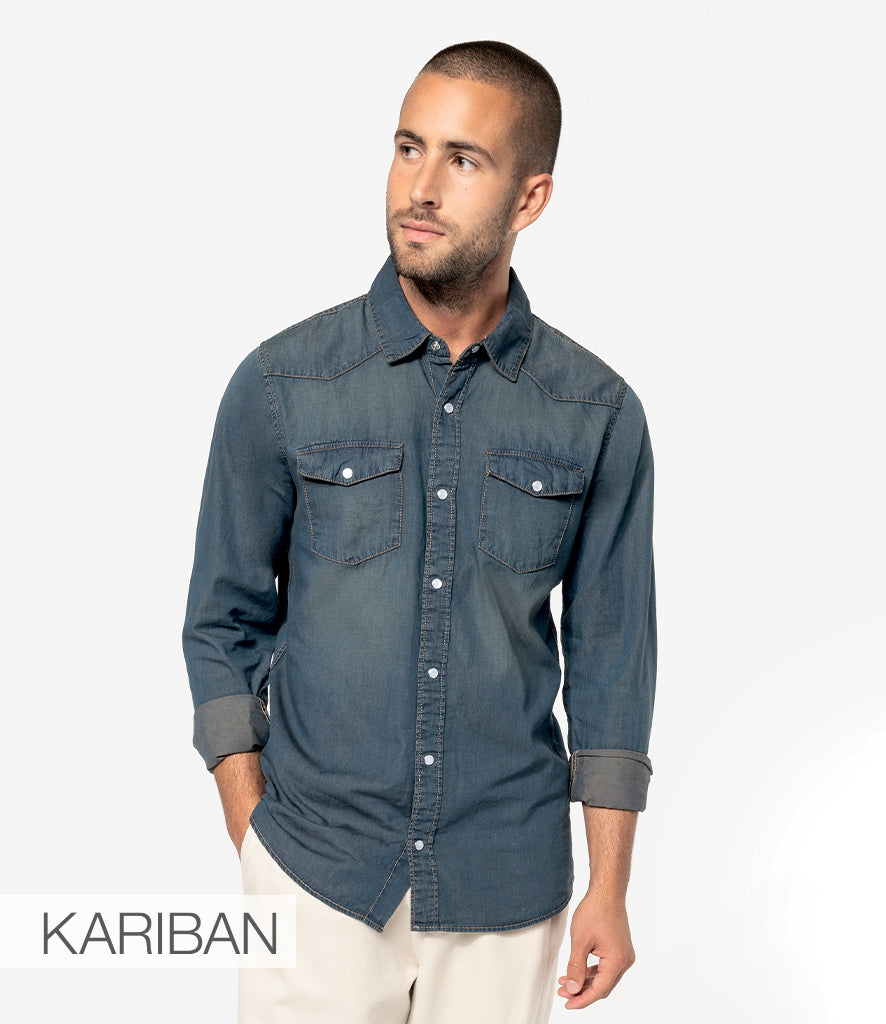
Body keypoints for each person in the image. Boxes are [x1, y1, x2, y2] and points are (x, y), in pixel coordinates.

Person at [182, 39, 656, 1024]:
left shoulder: (596, 412)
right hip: (314, 868)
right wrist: (251, 828)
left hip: (504, 885)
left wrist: (608, 885)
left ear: (529, 199)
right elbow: (221, 623)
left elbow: (612, 660)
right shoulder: (281, 382)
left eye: (463, 160)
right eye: (409, 148)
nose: (422, 187)